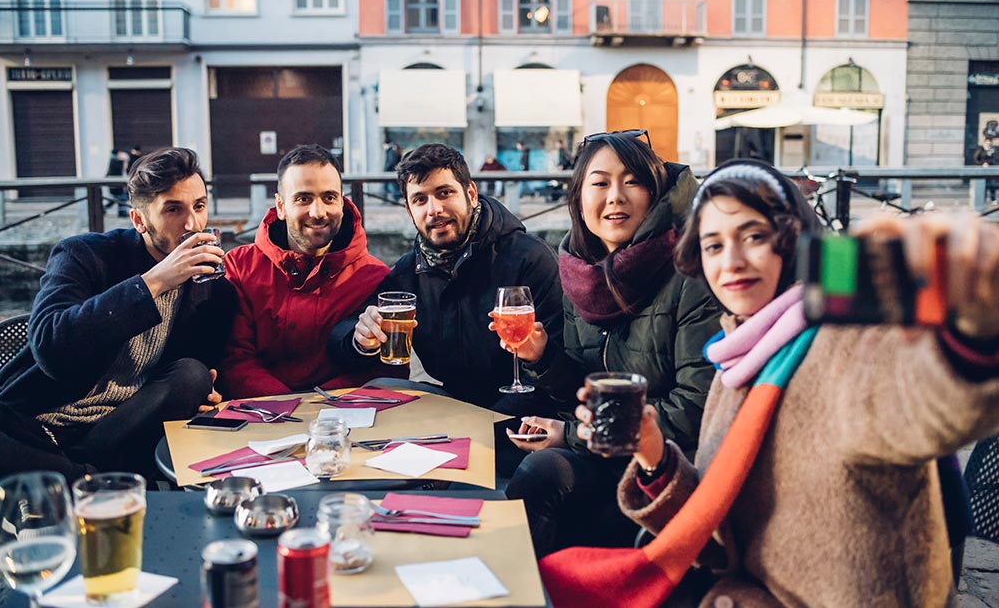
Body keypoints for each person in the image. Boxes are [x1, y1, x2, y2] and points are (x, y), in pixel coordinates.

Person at [542, 161, 999, 608]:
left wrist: (973, 321)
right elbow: (716, 536)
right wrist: (654, 454)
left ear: (794, 243)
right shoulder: (735, 362)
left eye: (754, 237)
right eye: (713, 245)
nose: (733, 261)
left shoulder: (844, 345)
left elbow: (935, 401)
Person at [502, 131, 720, 556]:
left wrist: (573, 436)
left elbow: (697, 408)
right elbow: (581, 388)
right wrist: (542, 358)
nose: (615, 197)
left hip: (665, 463)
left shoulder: (691, 276)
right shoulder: (580, 274)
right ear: (580, 199)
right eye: (600, 183)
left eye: (632, 181)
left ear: (655, 194)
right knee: (496, 437)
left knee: (542, 474)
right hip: (601, 443)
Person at [0, 147, 236, 481]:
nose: (192, 224)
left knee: (193, 374)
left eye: (199, 206)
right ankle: (83, 479)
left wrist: (206, 396)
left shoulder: (214, 291)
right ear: (139, 219)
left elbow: (195, 378)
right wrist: (152, 283)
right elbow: (51, 348)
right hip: (33, 426)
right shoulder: (85, 254)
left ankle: (62, 479)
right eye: (173, 209)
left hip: (119, 430)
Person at [329, 143, 563, 418]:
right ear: (409, 210)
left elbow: (558, 366)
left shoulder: (529, 258)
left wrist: (481, 427)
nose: (434, 209)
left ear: (471, 194)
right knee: (379, 389)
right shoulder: (408, 272)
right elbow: (341, 336)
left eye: (445, 193)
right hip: (454, 403)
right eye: (420, 199)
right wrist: (360, 338)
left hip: (523, 408)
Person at [218, 145, 391, 399]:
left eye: (329, 198)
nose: (318, 212)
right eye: (303, 198)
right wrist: (288, 406)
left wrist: (318, 409)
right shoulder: (239, 266)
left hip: (343, 418)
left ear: (343, 202)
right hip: (259, 417)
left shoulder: (375, 276)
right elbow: (234, 359)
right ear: (280, 206)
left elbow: (387, 369)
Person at [104, 148, 131, 217]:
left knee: (117, 198)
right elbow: (121, 170)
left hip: (114, 183)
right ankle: (121, 212)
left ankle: (105, 208)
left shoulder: (113, 160)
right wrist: (125, 160)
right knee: (119, 197)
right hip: (115, 183)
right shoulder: (115, 161)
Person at [974, 137, 997, 203]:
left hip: (991, 170)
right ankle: (983, 199)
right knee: (983, 185)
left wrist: (990, 163)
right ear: (985, 142)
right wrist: (982, 164)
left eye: (990, 141)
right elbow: (976, 159)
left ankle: (993, 199)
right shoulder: (981, 149)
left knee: (992, 185)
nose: (989, 143)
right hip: (982, 170)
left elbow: (995, 159)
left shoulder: (992, 149)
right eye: (988, 141)